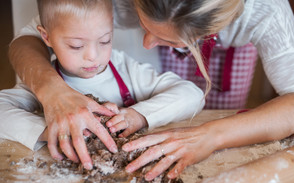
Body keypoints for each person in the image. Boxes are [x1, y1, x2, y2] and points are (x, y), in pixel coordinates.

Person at [9, 0, 294, 181]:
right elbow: (27, 40)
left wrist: (211, 135)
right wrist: (55, 93)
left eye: (168, 40)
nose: (145, 44)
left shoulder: (264, 9)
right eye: (143, 26)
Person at [0, 0, 204, 170]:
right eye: (76, 45)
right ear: (46, 37)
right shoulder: (43, 80)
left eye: (105, 41)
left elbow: (192, 95)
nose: (93, 56)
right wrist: (52, 129)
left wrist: (137, 115)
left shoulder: (126, 70)